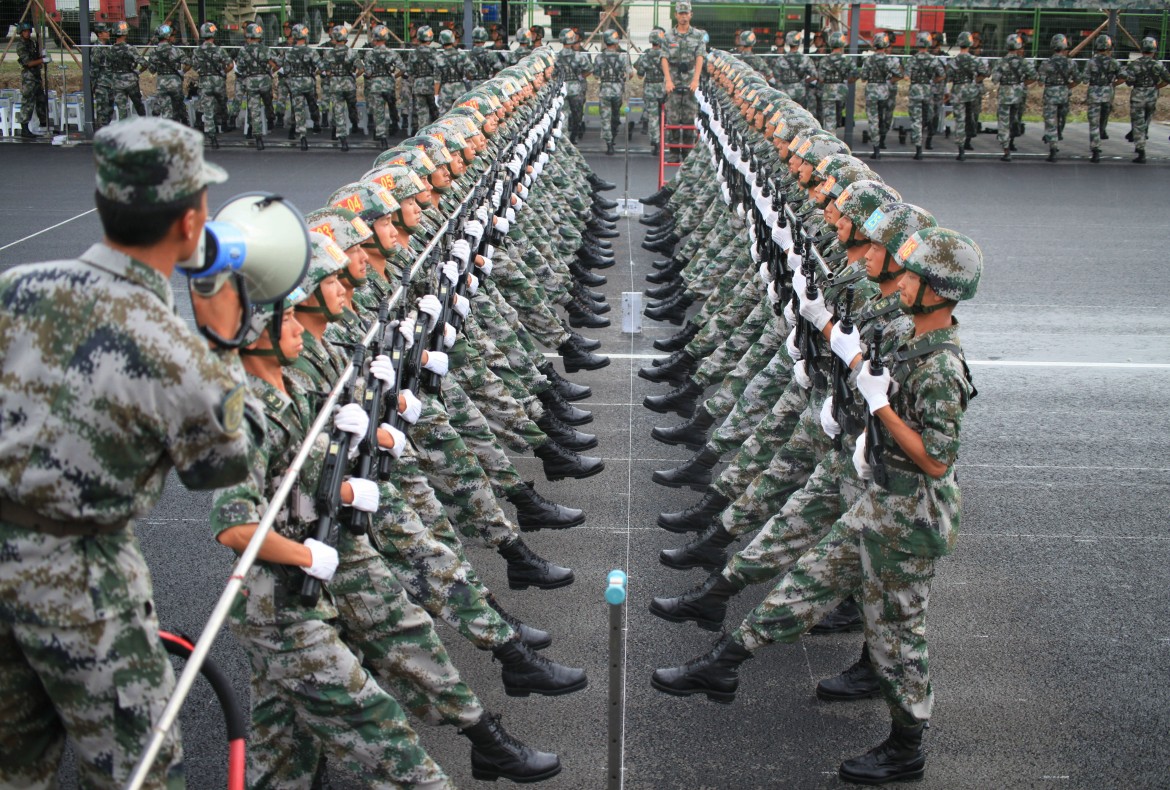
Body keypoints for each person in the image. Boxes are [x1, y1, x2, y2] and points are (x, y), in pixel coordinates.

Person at [652, 225, 982, 788]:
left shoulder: (942, 368)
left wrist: (880, 410)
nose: (900, 282)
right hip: (882, 502)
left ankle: (907, 747)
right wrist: (856, 376)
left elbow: (934, 460)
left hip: (912, 522)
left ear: (939, 290)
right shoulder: (909, 338)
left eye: (913, 277)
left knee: (897, 637)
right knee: (809, 578)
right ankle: (726, 662)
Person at [0, 116, 263, 789]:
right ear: (191, 221)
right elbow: (223, 465)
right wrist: (224, 342)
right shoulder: (173, 348)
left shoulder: (17, 287)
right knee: (138, 767)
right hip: (84, 577)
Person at [660, 0, 706, 161]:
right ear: (676, 15)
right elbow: (664, 58)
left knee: (689, 117)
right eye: (681, 13)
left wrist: (696, 80)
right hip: (673, 81)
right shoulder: (668, 36)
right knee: (672, 117)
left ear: (691, 15)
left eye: (686, 13)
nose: (683, 17)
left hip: (690, 82)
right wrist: (668, 80)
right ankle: (673, 152)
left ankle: (687, 151)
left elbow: (700, 57)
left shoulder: (698, 35)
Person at [1123, 36, 1170, 164]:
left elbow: (1129, 82)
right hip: (1152, 95)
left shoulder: (1134, 64)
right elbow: (1167, 79)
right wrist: (1156, 86)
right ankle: (1141, 135)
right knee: (1146, 119)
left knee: (1138, 122)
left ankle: (1141, 151)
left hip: (1138, 95)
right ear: (1154, 50)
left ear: (1142, 49)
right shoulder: (1158, 64)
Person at [990, 33, 1036, 162]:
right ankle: (1012, 139)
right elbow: (1033, 76)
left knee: (1003, 122)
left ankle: (1006, 150)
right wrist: (1021, 84)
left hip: (1005, 94)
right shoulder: (1023, 62)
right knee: (1014, 118)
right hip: (1018, 94)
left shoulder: (1001, 62)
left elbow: (994, 79)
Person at [188, 21, 233, 147]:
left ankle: (212, 136)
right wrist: (223, 72)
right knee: (222, 102)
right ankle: (224, 124)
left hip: (204, 82)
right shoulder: (219, 50)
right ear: (213, 34)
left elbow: (195, 66)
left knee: (207, 109)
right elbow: (230, 65)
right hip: (218, 81)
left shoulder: (197, 51)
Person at [234, 21, 277, 149]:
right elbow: (278, 63)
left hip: (251, 82)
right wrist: (270, 71)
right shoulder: (265, 49)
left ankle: (258, 138)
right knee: (268, 101)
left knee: (254, 109)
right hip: (265, 81)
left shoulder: (243, 51)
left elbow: (240, 67)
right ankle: (271, 119)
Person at [859, 31, 902, 159]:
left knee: (873, 119)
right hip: (884, 90)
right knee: (883, 117)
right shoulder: (889, 60)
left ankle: (876, 148)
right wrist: (889, 81)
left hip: (871, 90)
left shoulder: (868, 60)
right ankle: (882, 139)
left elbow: (863, 77)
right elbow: (899, 74)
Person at [1038, 33, 1079, 163]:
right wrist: (1067, 87)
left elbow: (1040, 82)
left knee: (1050, 121)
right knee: (1061, 118)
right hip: (1064, 94)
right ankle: (1058, 134)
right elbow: (1078, 79)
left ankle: (1053, 148)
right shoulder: (1071, 63)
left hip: (1050, 94)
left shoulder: (1046, 63)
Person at [946, 31, 987, 161]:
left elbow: (948, 77)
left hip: (958, 90)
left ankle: (961, 149)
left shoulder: (953, 61)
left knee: (960, 120)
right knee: (972, 116)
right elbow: (985, 72)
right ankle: (969, 139)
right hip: (972, 90)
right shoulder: (975, 60)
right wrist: (975, 81)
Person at [1083, 34, 1124, 160]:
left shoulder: (1091, 62)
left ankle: (1095, 148)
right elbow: (1123, 77)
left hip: (1094, 94)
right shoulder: (1114, 62)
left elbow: (1085, 80)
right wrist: (1112, 84)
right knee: (1104, 117)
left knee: (1093, 122)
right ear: (1109, 47)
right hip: (1108, 93)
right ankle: (1102, 131)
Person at [280, 23, 320, 151]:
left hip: (295, 83)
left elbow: (286, 70)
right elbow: (321, 65)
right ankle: (316, 122)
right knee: (312, 103)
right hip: (308, 81)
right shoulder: (311, 51)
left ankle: (302, 136)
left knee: (298, 110)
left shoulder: (289, 52)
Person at [321, 24, 361, 149]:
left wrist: (332, 75)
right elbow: (361, 68)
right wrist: (353, 75)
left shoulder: (329, 53)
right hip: (349, 83)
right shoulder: (352, 52)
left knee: (338, 110)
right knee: (351, 106)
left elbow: (325, 70)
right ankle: (354, 124)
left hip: (335, 84)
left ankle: (341, 137)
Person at [362, 24, 403, 146]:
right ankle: (394, 125)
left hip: (375, 85)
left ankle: (381, 137)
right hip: (389, 84)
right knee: (391, 106)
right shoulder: (392, 53)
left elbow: (368, 72)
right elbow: (403, 68)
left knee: (378, 111)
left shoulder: (369, 54)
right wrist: (393, 76)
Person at [906, 31, 943, 160]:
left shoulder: (912, 59)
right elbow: (941, 74)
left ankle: (918, 148)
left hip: (915, 90)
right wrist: (932, 81)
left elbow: (906, 75)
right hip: (928, 90)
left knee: (916, 119)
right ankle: (929, 140)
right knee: (929, 116)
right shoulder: (933, 59)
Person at [594, 30, 630, 155]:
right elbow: (630, 74)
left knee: (605, 117)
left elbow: (596, 75)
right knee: (615, 115)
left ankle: (609, 144)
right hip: (618, 90)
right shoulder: (622, 57)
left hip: (604, 90)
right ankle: (613, 135)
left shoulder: (599, 57)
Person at [147, 24, 188, 124]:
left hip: (162, 83)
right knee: (177, 105)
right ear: (168, 36)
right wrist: (182, 71)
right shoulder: (177, 50)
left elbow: (152, 70)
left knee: (165, 108)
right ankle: (182, 123)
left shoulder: (154, 53)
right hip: (175, 82)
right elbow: (189, 63)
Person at [817, 31, 858, 132]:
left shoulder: (824, 60)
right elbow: (856, 74)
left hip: (828, 91)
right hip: (842, 90)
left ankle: (831, 136)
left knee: (829, 117)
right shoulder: (847, 60)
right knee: (839, 111)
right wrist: (849, 81)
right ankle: (838, 124)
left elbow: (821, 78)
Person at [635, 27, 668, 155]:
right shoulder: (666, 54)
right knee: (663, 116)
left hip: (649, 88)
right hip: (662, 87)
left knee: (653, 117)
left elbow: (639, 75)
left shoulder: (645, 56)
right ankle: (664, 139)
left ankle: (655, 142)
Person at [15, 21, 49, 138]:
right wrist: (42, 61)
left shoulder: (32, 43)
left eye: (29, 31)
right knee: (28, 102)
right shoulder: (21, 45)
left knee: (41, 100)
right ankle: (24, 127)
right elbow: (28, 63)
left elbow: (35, 58)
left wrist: (41, 56)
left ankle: (44, 124)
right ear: (20, 33)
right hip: (28, 76)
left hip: (36, 75)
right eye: (25, 31)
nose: (27, 33)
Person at [108, 20, 146, 120]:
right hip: (131, 81)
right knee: (139, 106)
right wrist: (138, 71)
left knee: (122, 110)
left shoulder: (110, 50)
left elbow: (108, 67)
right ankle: (145, 127)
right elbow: (145, 64)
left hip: (117, 82)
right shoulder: (130, 49)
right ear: (125, 33)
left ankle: (123, 131)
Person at [771, 30, 816, 112]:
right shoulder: (805, 59)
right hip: (800, 92)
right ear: (799, 42)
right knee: (800, 113)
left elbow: (776, 76)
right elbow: (815, 75)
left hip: (785, 92)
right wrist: (804, 81)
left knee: (785, 114)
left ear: (787, 42)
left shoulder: (781, 59)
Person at [406, 25, 440, 132]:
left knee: (422, 112)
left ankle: (422, 135)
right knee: (435, 112)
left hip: (418, 85)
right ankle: (437, 133)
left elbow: (409, 71)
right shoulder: (434, 52)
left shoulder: (413, 53)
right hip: (432, 85)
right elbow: (438, 70)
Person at [435, 28, 469, 112]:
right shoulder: (462, 54)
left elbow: (437, 78)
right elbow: (472, 71)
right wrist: (465, 77)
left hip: (446, 89)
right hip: (460, 88)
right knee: (461, 113)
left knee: (445, 116)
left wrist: (436, 94)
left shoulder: (439, 57)